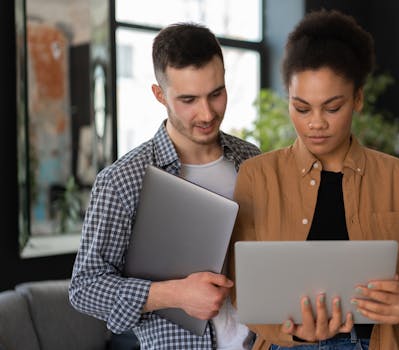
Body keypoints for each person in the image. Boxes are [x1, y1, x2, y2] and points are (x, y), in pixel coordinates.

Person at [229, 9, 399, 350]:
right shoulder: (257, 176)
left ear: (357, 98)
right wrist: (296, 332)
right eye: (301, 108)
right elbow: (243, 289)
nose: (316, 123)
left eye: (332, 108)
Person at [69, 22, 260, 350]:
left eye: (216, 93)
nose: (207, 113)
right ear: (160, 95)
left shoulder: (252, 160)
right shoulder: (123, 180)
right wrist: (175, 294)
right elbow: (85, 288)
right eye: (188, 99)